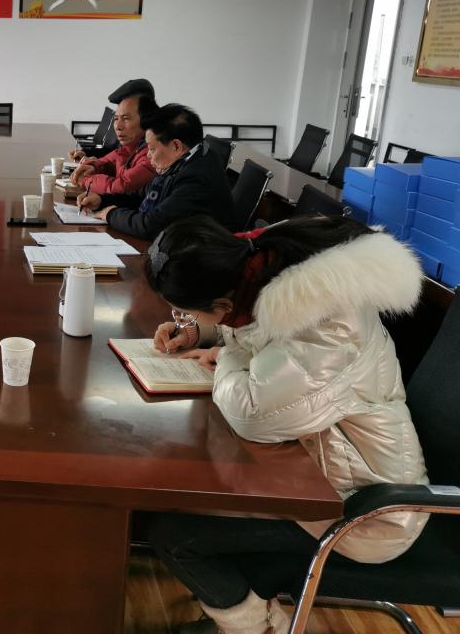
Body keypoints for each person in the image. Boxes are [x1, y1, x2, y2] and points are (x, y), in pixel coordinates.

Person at [143, 215, 428, 634]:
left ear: (223, 302)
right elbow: (258, 332)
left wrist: (227, 355)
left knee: (173, 533)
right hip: (317, 472)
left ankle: (254, 626)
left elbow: (252, 413)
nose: (188, 317)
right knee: (183, 488)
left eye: (190, 310)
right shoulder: (266, 264)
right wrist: (198, 332)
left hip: (364, 510)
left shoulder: (329, 325)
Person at [77, 104, 235, 238]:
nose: (147, 155)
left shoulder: (197, 177)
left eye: (152, 149)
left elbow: (150, 225)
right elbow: (142, 195)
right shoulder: (185, 160)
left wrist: (111, 214)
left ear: (176, 146)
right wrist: (102, 200)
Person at [68, 78, 159, 196]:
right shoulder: (129, 147)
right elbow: (110, 161)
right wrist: (93, 167)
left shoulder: (153, 153)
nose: (118, 126)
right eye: (116, 118)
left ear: (147, 120)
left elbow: (122, 185)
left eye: (126, 118)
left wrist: (85, 180)